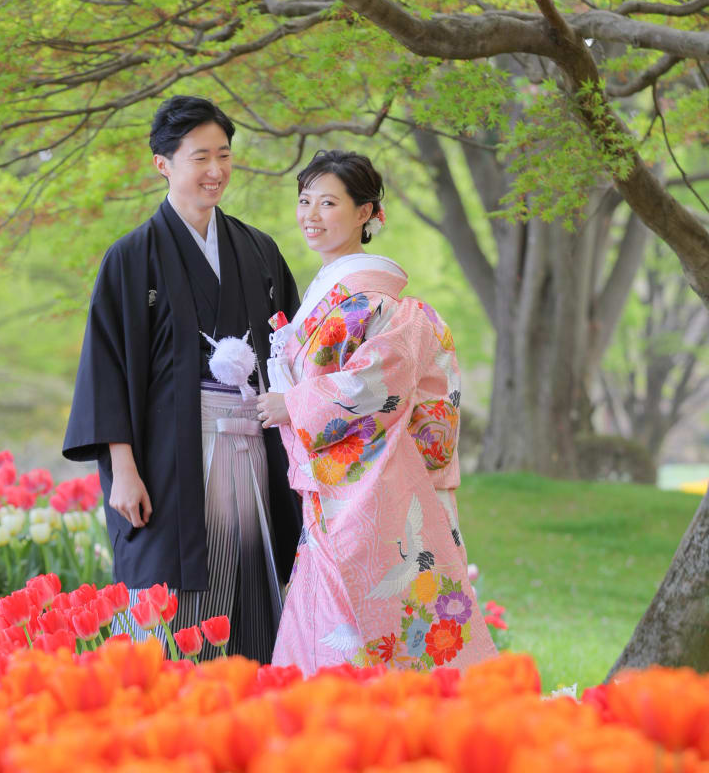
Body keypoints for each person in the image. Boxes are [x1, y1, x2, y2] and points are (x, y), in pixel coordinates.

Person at [62, 95, 302, 663]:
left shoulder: (258, 249)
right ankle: (173, 704)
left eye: (223, 155)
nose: (215, 170)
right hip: (171, 458)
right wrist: (123, 470)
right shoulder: (132, 257)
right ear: (163, 163)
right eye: (199, 157)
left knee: (254, 573)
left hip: (254, 446)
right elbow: (108, 365)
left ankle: (251, 701)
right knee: (173, 588)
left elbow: (292, 348)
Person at [255, 149, 496, 674]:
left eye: (328, 202)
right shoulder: (336, 298)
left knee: (356, 608)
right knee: (330, 604)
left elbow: (374, 384)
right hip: (337, 483)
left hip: (366, 486)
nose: (310, 215)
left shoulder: (377, 305)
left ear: (366, 213)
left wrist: (293, 402)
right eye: (304, 201)